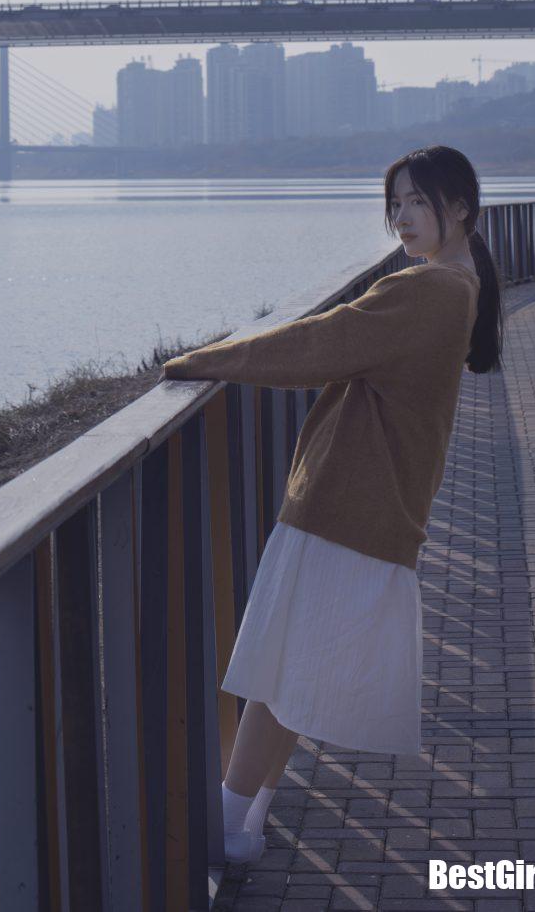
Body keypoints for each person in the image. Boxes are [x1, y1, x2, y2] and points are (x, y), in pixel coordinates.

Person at [162, 144, 503, 864]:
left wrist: (205, 359)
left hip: (347, 502)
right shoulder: (459, 282)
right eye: (396, 203)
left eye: (418, 202)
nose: (402, 217)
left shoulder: (430, 289)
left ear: (460, 208)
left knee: (284, 668)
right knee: (295, 668)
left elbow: (319, 343)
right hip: (373, 504)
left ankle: (224, 823)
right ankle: (241, 818)